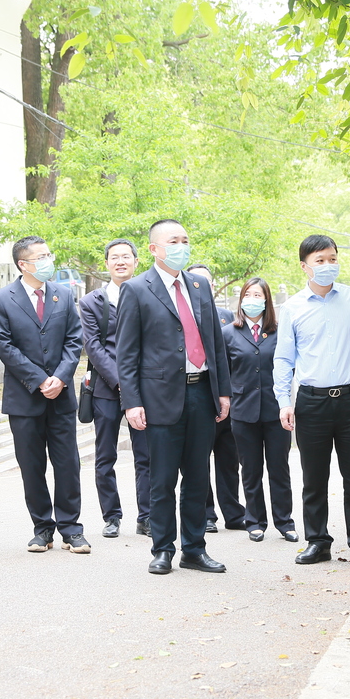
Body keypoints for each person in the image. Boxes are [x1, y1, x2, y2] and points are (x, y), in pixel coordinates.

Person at [115, 220, 232, 575]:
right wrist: (132, 401)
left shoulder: (199, 285)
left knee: (198, 477)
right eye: (173, 241)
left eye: (184, 239)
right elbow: (126, 352)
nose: (181, 246)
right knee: (162, 480)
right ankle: (162, 548)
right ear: (154, 249)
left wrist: (223, 391)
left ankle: (194, 549)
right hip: (159, 398)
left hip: (201, 392)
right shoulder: (136, 289)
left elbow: (214, 343)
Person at [274, 234, 350, 568]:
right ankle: (318, 541)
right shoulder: (292, 307)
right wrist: (284, 400)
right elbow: (283, 359)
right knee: (314, 477)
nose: (327, 266)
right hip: (311, 402)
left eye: (332, 259)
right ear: (304, 266)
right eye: (319, 260)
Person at [0, 236, 89, 555]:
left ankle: (71, 529)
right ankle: (42, 528)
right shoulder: (1, 299)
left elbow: (75, 340)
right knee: (31, 466)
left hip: (60, 398)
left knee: (68, 464)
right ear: (23, 264)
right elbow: (4, 346)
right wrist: (39, 379)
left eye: (49, 254)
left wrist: (60, 378)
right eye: (41, 256)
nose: (49, 260)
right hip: (24, 398)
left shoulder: (63, 293)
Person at [79, 239, 151, 539]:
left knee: (146, 455)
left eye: (126, 257)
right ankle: (112, 516)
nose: (120, 261)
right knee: (105, 455)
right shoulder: (91, 302)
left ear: (136, 261)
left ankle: (146, 516)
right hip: (106, 389)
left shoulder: (149, 295)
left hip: (145, 389)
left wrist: (136, 383)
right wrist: (122, 381)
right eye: (114, 257)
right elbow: (93, 347)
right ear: (107, 263)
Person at [223, 278, 298, 543]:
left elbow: (290, 368)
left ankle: (285, 522)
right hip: (243, 412)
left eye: (258, 294)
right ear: (241, 299)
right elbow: (223, 373)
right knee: (250, 469)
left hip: (277, 410)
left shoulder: (280, 332)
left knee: (279, 468)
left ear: (266, 300)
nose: (252, 299)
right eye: (248, 294)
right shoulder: (229, 333)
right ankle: (254, 521)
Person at [188, 263, 246, 534]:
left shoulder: (227, 317)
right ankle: (207, 514)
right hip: (198, 399)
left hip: (227, 400)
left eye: (206, 283)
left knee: (228, 462)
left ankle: (234, 513)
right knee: (198, 462)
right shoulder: (182, 315)